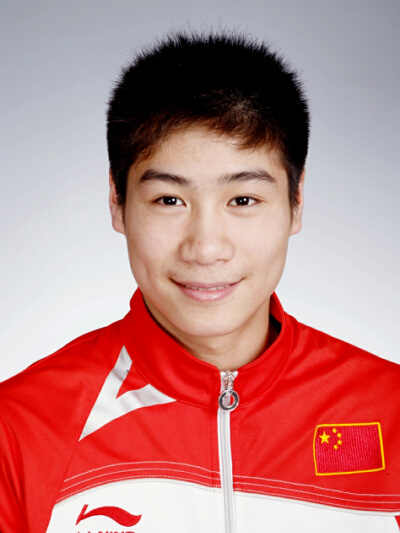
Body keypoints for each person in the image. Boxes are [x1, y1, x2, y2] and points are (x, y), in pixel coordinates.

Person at [0, 31, 399, 533]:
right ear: (117, 201)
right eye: (169, 200)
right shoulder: (19, 429)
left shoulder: (390, 411)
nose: (206, 248)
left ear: (296, 202)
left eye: (243, 200)